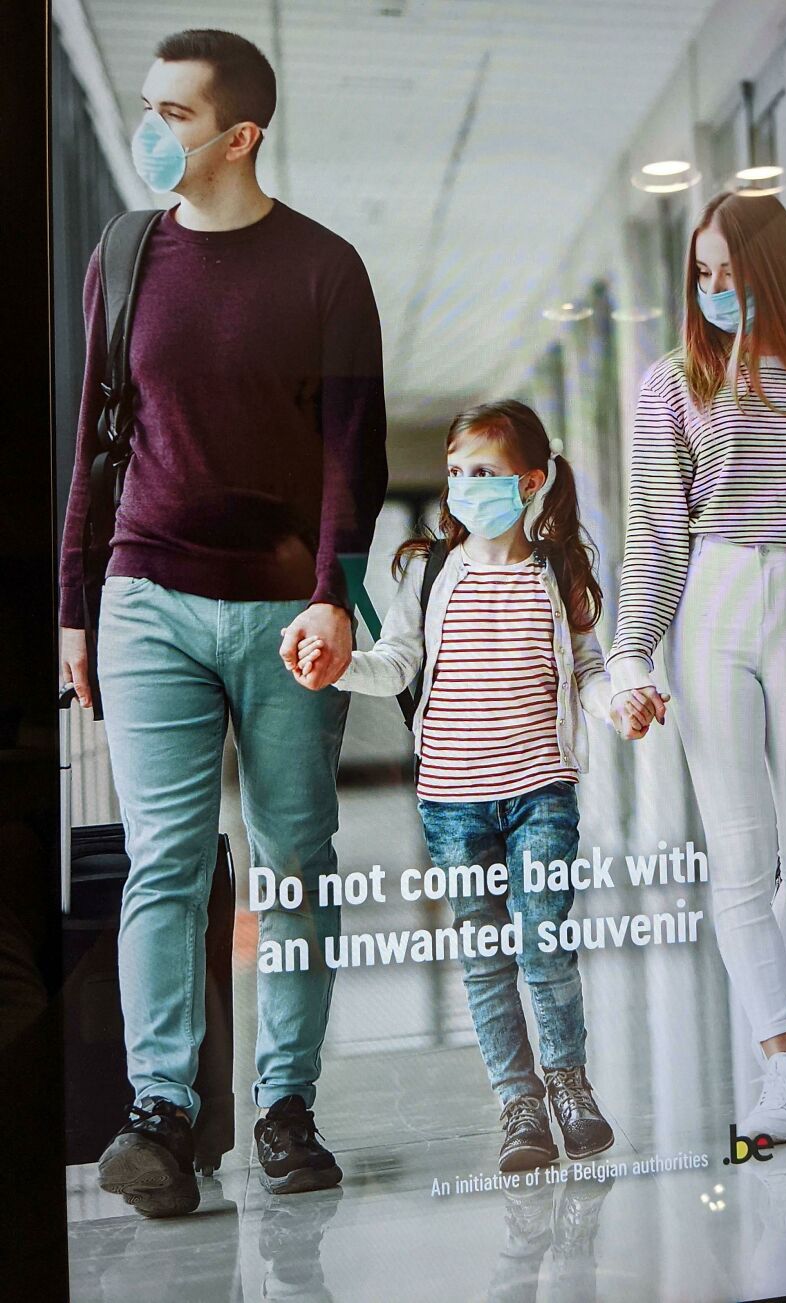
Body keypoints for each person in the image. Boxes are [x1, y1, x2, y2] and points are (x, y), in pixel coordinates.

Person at [58, 29, 387, 1216]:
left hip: (283, 614)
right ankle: (160, 1113)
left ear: (239, 136)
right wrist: (74, 609)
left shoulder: (324, 270)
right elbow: (97, 440)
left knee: (296, 863)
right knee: (166, 860)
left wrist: (333, 603)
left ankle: (285, 1106)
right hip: (144, 596)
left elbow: (354, 459)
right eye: (146, 107)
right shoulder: (123, 253)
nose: (153, 131)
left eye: (175, 114)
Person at [287, 400, 648, 1171]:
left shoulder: (560, 569)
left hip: (542, 793)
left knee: (547, 943)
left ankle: (569, 1083)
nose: (462, 487)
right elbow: (396, 666)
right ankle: (519, 1105)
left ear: (531, 482)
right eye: (454, 472)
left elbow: (586, 670)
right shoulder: (429, 570)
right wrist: (340, 666)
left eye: (481, 472)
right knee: (486, 957)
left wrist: (617, 701)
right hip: (453, 801)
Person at [607, 191, 786, 1143]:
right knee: (741, 852)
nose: (712, 291)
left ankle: (768, 999)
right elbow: (658, 532)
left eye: (729, 272)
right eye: (699, 274)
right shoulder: (673, 384)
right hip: (715, 599)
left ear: (770, 270)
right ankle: (781, 1063)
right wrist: (631, 649)